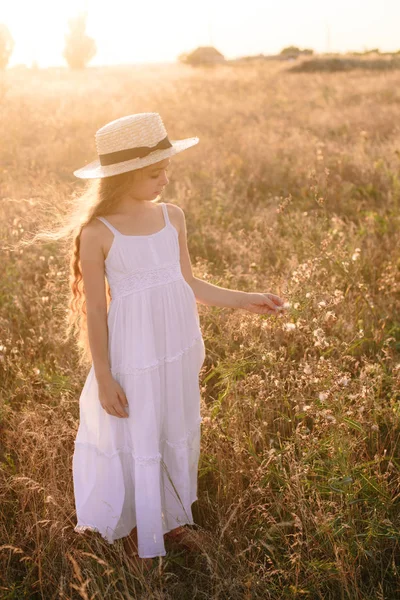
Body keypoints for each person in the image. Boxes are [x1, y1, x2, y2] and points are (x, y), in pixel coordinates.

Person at [69, 112, 287, 573]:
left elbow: (189, 283)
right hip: (133, 357)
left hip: (176, 348)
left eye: (166, 169)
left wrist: (246, 298)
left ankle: (169, 520)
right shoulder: (97, 234)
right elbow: (94, 310)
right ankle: (137, 532)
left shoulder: (173, 217)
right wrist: (104, 376)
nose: (165, 179)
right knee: (137, 434)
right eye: (154, 173)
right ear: (124, 176)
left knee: (172, 427)